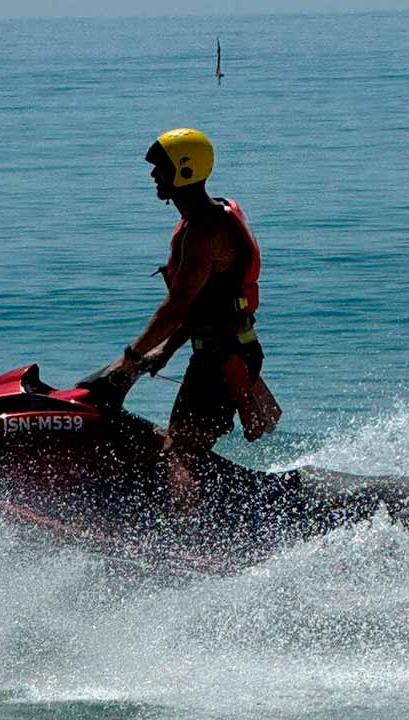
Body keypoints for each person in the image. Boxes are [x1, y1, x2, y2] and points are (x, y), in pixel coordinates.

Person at [101, 127, 280, 512]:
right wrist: (163, 353)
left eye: (160, 169)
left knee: (178, 453)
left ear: (183, 171)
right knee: (183, 444)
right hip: (220, 352)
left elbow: (177, 306)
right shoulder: (198, 221)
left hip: (223, 360)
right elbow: (204, 307)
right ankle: (205, 514)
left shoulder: (205, 233)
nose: (153, 177)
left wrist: (129, 358)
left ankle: (190, 538)